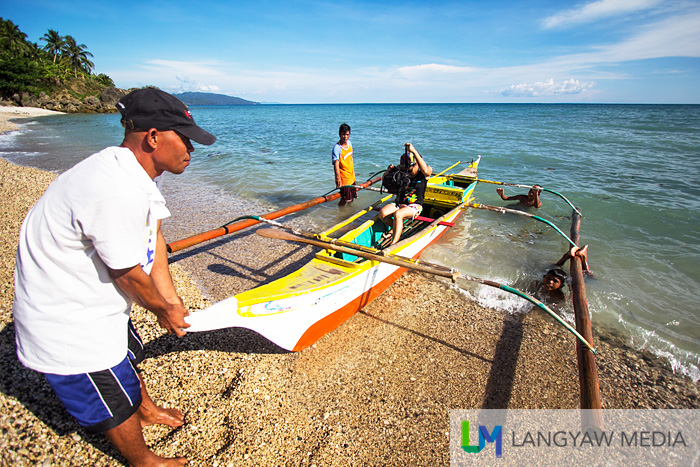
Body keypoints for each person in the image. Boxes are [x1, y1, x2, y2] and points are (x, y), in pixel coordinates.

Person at [13, 88, 217, 467]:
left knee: (128, 354)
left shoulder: (137, 171)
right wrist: (162, 309)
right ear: (153, 137)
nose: (192, 148)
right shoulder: (115, 189)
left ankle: (147, 408)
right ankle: (142, 460)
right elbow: (126, 274)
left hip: (95, 299)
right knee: (110, 400)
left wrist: (170, 300)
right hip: (67, 320)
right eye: (185, 138)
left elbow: (153, 234)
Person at [378, 143, 433, 245]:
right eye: (405, 170)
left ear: (416, 164)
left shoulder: (423, 173)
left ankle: (393, 243)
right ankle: (397, 228)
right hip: (399, 203)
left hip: (414, 206)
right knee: (382, 213)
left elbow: (426, 170)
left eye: (410, 170)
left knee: (398, 214)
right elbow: (385, 181)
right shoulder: (402, 172)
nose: (408, 172)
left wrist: (413, 151)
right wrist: (388, 171)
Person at [331, 123, 357, 206]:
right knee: (345, 199)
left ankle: (349, 212)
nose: (345, 137)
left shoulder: (349, 143)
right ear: (339, 134)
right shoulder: (337, 148)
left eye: (347, 134)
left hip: (351, 176)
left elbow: (350, 158)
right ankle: (340, 213)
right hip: (344, 178)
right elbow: (336, 164)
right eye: (343, 134)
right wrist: (338, 178)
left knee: (351, 197)